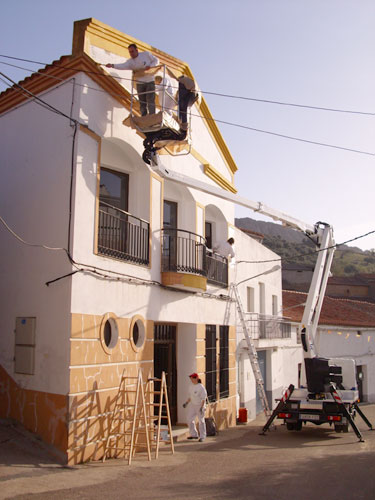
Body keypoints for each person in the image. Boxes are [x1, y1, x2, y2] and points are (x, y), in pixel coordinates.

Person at [106, 43, 159, 116]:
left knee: (150, 100)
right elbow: (122, 66)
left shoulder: (146, 54)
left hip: (149, 81)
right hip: (140, 83)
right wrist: (112, 65)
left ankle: (152, 116)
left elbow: (156, 60)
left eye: (132, 51)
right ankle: (144, 117)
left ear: (137, 50)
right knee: (142, 102)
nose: (131, 54)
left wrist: (150, 66)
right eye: (130, 52)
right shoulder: (130, 62)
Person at [183, 373, 207, 442]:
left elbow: (203, 398)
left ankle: (202, 436)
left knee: (201, 421)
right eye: (191, 379)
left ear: (196, 378)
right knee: (189, 419)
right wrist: (186, 403)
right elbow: (191, 396)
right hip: (193, 405)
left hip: (200, 405)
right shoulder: (191, 386)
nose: (191, 380)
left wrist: (201, 407)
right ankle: (194, 434)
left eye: (192, 378)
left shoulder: (201, 387)